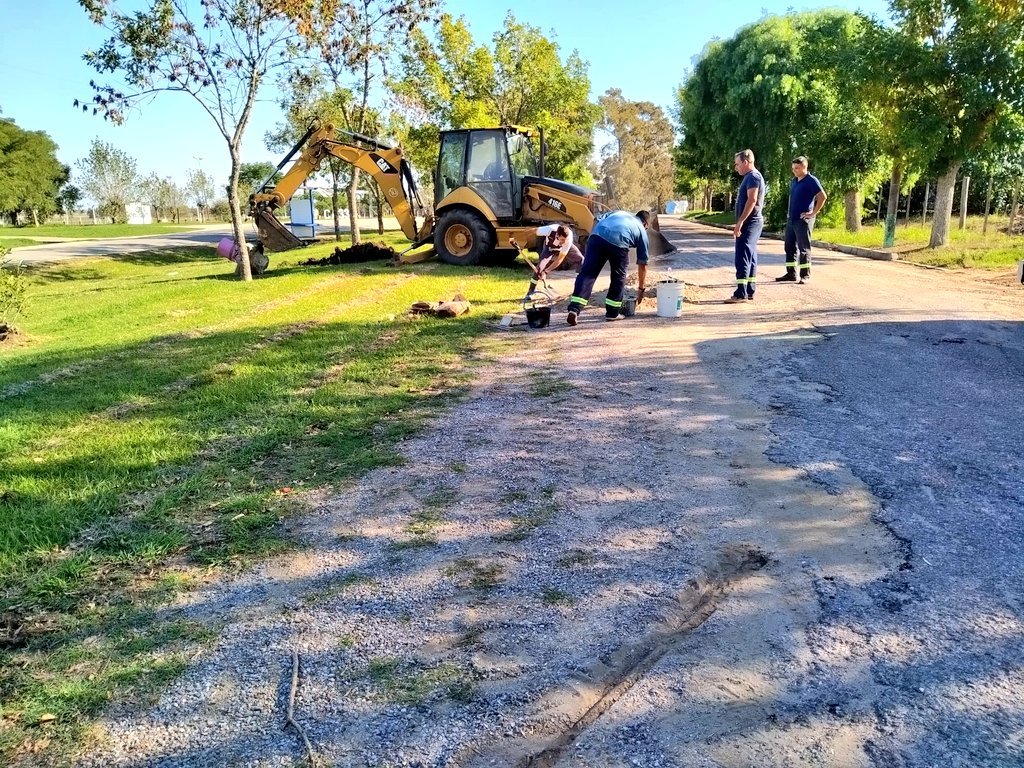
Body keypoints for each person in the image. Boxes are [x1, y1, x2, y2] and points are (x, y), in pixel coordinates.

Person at [565, 210, 650, 325]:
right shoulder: (641, 230)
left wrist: (594, 238)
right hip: (619, 242)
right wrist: (641, 289)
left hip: (596, 236)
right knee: (618, 276)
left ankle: (574, 309)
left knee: (588, 273)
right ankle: (612, 313)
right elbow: (643, 264)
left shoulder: (619, 213)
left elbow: (596, 219)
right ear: (646, 224)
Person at [776, 155, 827, 284]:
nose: (794, 170)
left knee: (804, 248)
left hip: (803, 220)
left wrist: (813, 213)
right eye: (793, 168)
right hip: (791, 220)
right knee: (789, 247)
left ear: (805, 167)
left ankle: (805, 275)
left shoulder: (811, 180)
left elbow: (822, 197)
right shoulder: (794, 181)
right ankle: (790, 273)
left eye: (797, 168)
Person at [726, 149, 766, 304]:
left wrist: (740, 221)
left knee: (742, 256)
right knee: (750, 256)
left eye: (737, 164)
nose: (736, 167)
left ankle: (741, 293)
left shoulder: (753, 177)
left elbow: (752, 200)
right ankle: (749, 289)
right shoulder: (750, 177)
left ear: (745, 162)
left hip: (750, 223)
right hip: (751, 223)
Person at [509, 223, 583, 278]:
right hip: (549, 248)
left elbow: (559, 259)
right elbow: (532, 231)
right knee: (539, 269)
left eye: (565, 239)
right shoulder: (549, 229)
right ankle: (530, 292)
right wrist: (516, 238)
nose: (564, 241)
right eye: (562, 239)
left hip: (564, 248)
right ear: (557, 235)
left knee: (581, 259)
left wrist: (546, 272)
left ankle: (580, 282)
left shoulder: (568, 239)